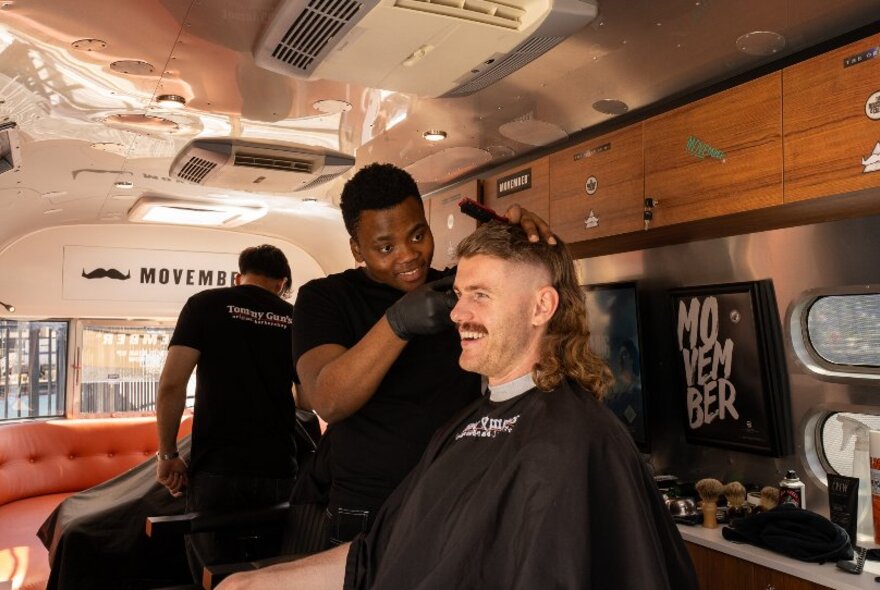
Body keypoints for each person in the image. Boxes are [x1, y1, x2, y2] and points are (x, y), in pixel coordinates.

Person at [218, 221, 699, 590]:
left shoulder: (572, 442)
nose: (457, 314)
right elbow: (379, 553)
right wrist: (257, 581)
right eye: (460, 295)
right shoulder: (468, 424)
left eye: (481, 296)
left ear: (541, 307)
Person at [291, 162, 555, 545]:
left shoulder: (456, 289)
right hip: (368, 510)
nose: (409, 255)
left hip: (453, 499)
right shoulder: (325, 299)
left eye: (418, 235)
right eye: (385, 247)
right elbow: (327, 400)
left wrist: (525, 244)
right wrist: (397, 323)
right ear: (356, 249)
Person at [156, 244, 300, 582]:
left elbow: (171, 385)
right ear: (281, 283)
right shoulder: (295, 317)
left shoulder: (205, 304)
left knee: (214, 575)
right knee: (267, 577)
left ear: (239, 277)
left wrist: (167, 453)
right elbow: (308, 398)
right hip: (277, 468)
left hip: (217, 468)